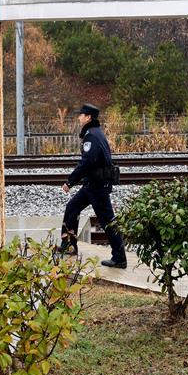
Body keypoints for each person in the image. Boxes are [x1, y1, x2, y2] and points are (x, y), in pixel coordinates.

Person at [58, 103, 127, 268]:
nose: (79, 117)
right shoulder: (94, 133)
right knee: (72, 208)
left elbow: (87, 163)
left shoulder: (92, 136)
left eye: (81, 115)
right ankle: (69, 244)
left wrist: (70, 181)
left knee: (108, 221)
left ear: (88, 117)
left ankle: (119, 258)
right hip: (92, 185)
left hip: (97, 187)